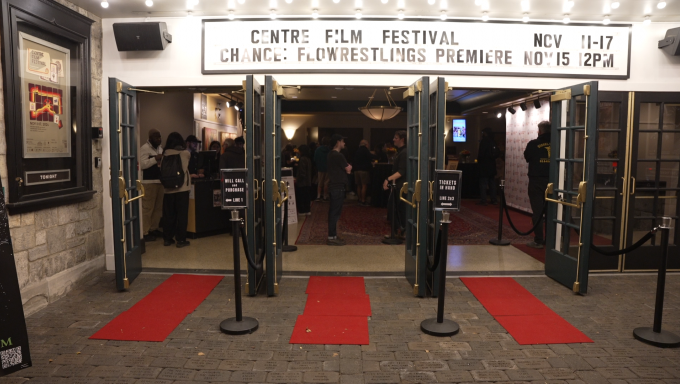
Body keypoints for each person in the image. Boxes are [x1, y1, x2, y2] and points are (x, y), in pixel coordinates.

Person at [524, 120, 552, 249]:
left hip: (536, 181)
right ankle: (552, 239)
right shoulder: (557, 143)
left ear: (539, 131)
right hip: (552, 181)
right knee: (552, 211)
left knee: (538, 211)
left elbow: (527, 157)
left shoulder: (533, 144)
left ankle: (539, 240)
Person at [161, 132, 191, 248]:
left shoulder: (165, 154)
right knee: (182, 215)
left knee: (169, 215)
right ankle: (181, 240)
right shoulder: (185, 154)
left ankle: (167, 239)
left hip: (168, 189)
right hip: (182, 189)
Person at [327, 134, 351, 246]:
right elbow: (348, 169)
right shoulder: (338, 155)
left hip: (333, 185)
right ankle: (332, 237)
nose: (344, 143)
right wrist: (349, 168)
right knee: (335, 212)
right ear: (338, 142)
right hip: (338, 186)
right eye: (342, 141)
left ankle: (333, 235)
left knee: (334, 211)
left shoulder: (330, 155)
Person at [140, 129, 164, 242]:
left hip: (159, 181)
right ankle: (145, 231)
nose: (158, 139)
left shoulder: (160, 148)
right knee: (148, 207)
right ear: (150, 138)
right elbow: (142, 164)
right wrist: (155, 159)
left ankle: (154, 228)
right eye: (156, 137)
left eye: (159, 137)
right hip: (148, 182)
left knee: (158, 207)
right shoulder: (144, 148)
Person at [383, 131, 407, 237]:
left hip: (402, 186)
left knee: (399, 210)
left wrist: (388, 179)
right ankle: (398, 231)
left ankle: (401, 231)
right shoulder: (400, 152)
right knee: (393, 209)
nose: (393, 139)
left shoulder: (405, 152)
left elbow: (401, 172)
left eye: (395, 138)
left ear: (402, 139)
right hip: (397, 185)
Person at [477, 127, 498, 205]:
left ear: (485, 133)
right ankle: (494, 199)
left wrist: (479, 162)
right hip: (492, 166)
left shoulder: (484, 141)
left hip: (484, 166)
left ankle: (483, 200)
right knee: (492, 183)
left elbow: (481, 154)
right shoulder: (493, 141)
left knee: (483, 183)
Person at [353, 140, 374, 206]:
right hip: (364, 170)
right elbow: (371, 157)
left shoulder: (357, 150)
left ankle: (359, 199)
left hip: (356, 170)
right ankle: (363, 200)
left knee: (358, 185)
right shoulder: (365, 150)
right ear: (366, 145)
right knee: (364, 185)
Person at [296, 145, 312, 216]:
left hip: (302, 182)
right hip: (308, 181)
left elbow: (302, 172)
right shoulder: (308, 159)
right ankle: (307, 210)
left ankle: (302, 211)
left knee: (301, 197)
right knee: (307, 197)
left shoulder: (302, 159)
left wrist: (298, 179)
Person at [314, 137, 331, 201]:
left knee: (320, 183)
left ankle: (318, 196)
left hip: (320, 168)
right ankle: (325, 196)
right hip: (328, 168)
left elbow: (315, 159)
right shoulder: (329, 150)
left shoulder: (318, 150)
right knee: (326, 183)